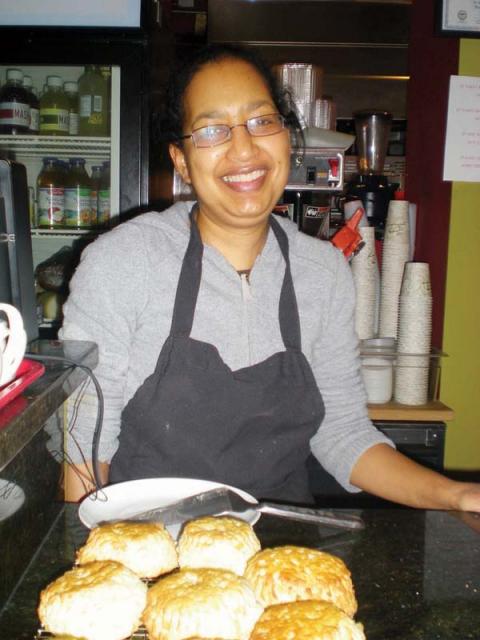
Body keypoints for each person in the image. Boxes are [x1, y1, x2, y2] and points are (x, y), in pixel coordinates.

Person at [60, 44, 480, 514]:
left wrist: (457, 495)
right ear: (180, 160)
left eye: (261, 121)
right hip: (152, 552)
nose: (243, 148)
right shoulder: (123, 262)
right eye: (213, 130)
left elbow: (342, 432)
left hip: (280, 553)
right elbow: (85, 442)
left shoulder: (323, 274)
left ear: (287, 137)